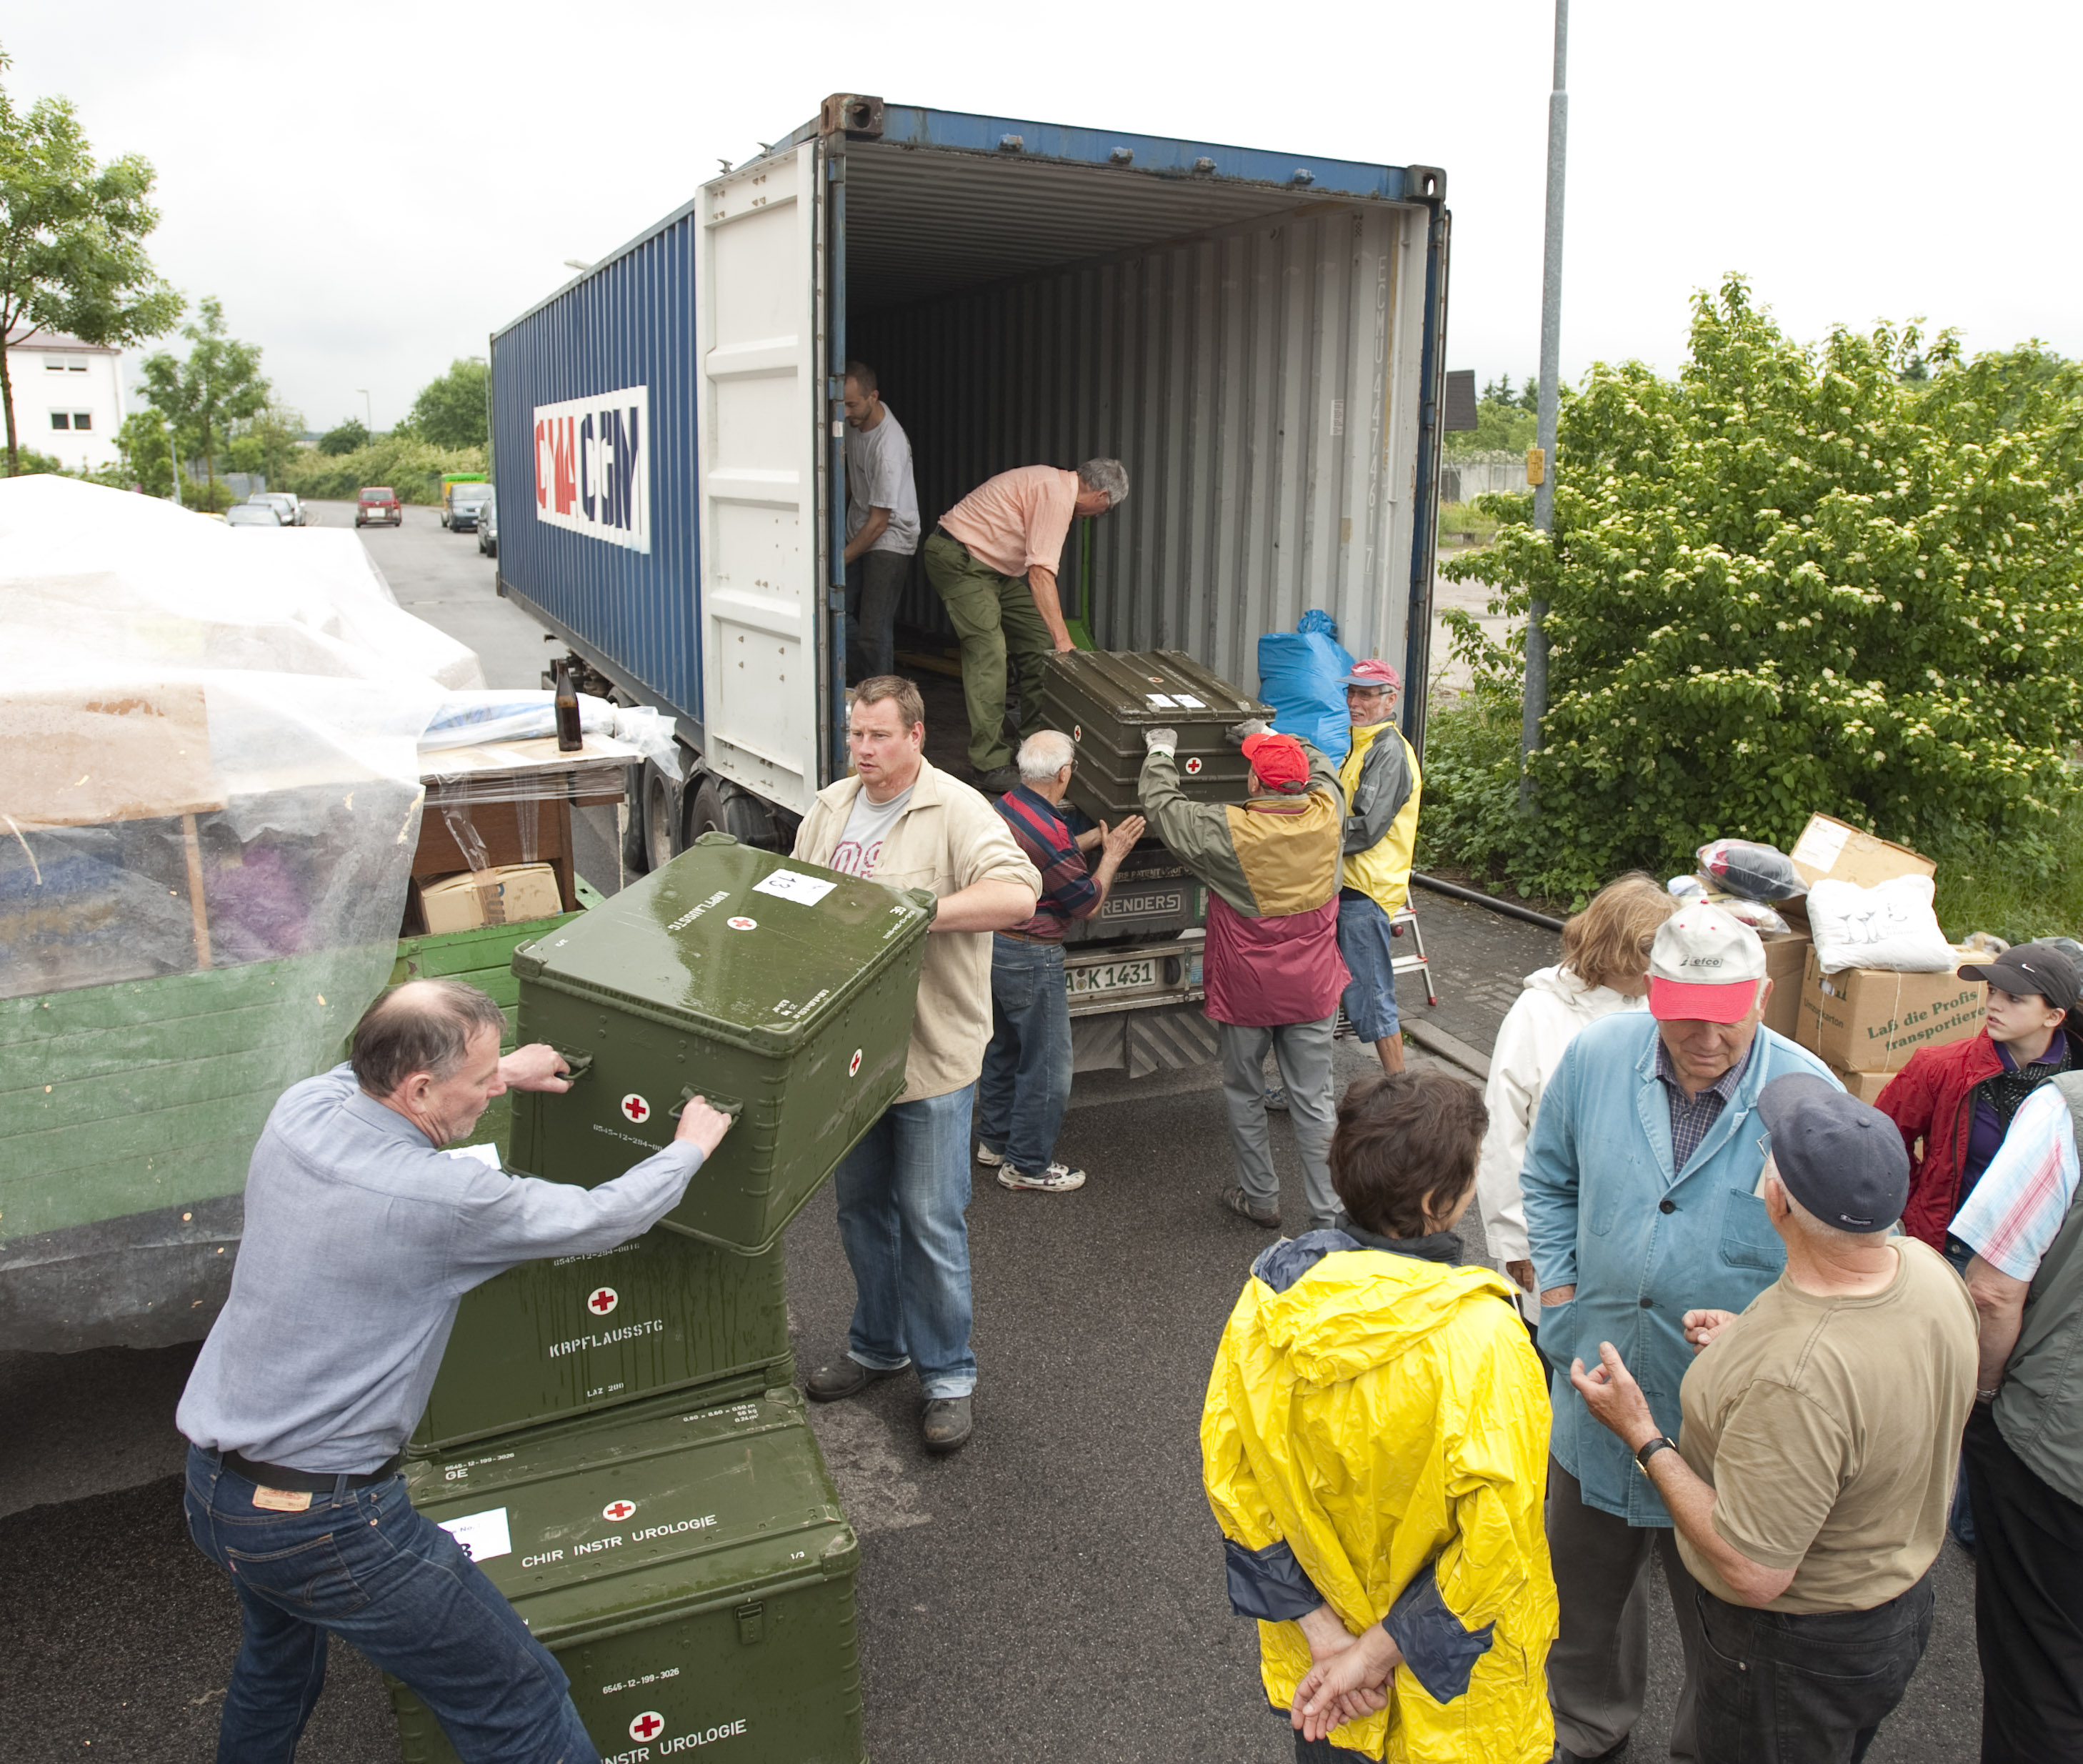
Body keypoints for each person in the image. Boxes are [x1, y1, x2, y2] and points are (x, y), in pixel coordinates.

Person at [178, 979, 736, 1763]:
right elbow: (601, 1217)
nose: (487, 1096)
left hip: (218, 1492)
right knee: (516, 1698)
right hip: (329, 1524)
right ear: (418, 1087)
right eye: (478, 1085)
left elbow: (380, 1081)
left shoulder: (301, 1110)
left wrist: (505, 1069)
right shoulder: (444, 1198)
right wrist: (691, 1145)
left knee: (276, 1670)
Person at [1571, 1074, 1975, 1764]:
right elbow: (1864, 1366)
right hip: (1893, 1611)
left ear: (1778, 1198)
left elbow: (1754, 1566)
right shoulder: (1924, 1268)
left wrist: (1641, 1432)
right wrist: (1750, 1339)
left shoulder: (1795, 1376)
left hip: (1793, 1653)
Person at [1522, 902, 1838, 1764]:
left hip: (1726, 1424)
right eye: (1684, 1015)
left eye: (1727, 1016)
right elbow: (1547, 1180)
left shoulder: (1808, 1098)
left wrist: (1769, 1330)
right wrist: (1560, 1299)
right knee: (1583, 1593)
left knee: (1724, 1619)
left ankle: (1709, 1748)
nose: (1705, 1037)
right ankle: (1587, 1725)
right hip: (1596, 1388)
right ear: (1651, 996)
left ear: (1764, 997)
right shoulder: (1594, 1057)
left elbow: (1839, 1263)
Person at [1202, 1069, 1560, 1764]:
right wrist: (1379, 1653)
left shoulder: (1267, 1305)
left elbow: (1232, 1478)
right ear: (1438, 1204)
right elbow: (1498, 1533)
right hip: (1458, 1711)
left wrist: (1329, 1638)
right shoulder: (1483, 1339)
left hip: (1327, 1686)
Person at [793, 675, 1041, 1453]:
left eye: (878, 736)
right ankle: (877, 1345)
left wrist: (921, 912)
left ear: (916, 735)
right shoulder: (831, 808)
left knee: (931, 1221)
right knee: (860, 1212)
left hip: (930, 1059)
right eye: (855, 735)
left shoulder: (958, 811)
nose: (863, 750)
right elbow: (796, 897)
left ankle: (947, 1377)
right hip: (850, 1060)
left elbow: (1018, 896)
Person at [1138, 719, 1348, 1231]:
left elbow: (1165, 809)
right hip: (1314, 988)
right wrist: (1275, 735)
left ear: (1253, 783)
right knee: (1314, 1101)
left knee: (1244, 1091)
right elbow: (1328, 773)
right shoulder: (1328, 814)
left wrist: (1161, 753)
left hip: (1248, 989)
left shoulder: (1229, 829)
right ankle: (1329, 1212)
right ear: (1301, 782)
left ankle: (1261, 1198)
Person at [1952, 1066, 2083, 1763]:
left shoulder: (2065, 1111)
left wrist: (1984, 1394)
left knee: (2042, 1678)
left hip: (2058, 1455)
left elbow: (1993, 1291)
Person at [1476, 874, 1676, 1327]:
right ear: (1617, 950)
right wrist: (1517, 1244)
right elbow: (1503, 1134)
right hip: (1553, 1234)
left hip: (1633, 1241)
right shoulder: (1539, 1013)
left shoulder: (1656, 1011)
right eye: (1651, 957)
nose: (1660, 972)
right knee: (1552, 1355)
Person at [976, 729, 1144, 1194]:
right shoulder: (1051, 835)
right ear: (1065, 774)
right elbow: (1086, 902)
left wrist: (1085, 840)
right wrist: (1110, 855)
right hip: (1032, 955)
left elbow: (1048, 853)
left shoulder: (1009, 804)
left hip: (996, 942)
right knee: (1047, 1064)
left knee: (1004, 1047)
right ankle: (1027, 1165)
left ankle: (994, 1142)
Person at [924, 458, 1129, 792]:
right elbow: (1040, 575)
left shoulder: (1055, 487)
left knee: (1040, 643)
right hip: (959, 557)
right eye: (1105, 509)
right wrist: (1066, 644)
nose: (1098, 515)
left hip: (995, 569)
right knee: (989, 651)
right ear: (1101, 495)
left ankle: (1032, 747)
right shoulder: (1055, 496)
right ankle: (987, 764)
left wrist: (1054, 642)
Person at [1878, 940, 2081, 1267]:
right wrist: (1918, 1206)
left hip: (2049, 1258)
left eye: (2014, 998)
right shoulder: (1941, 1067)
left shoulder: (2077, 1081)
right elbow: (1880, 1139)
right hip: (1955, 1250)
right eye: (1992, 991)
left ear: (2054, 1016)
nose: (1994, 1006)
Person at [1333, 659, 1422, 1076]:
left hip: (1364, 894)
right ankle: (1306, 1090)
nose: (1355, 701)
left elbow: (1366, 828)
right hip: (1344, 888)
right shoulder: (1362, 744)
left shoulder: (1388, 752)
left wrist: (1309, 840)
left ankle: (1400, 1092)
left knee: (1372, 998)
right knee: (1325, 995)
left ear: (1391, 700)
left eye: (1366, 694)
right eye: (1352, 692)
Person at [841, 361, 920, 683]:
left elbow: (879, 523)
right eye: (842, 404)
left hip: (890, 537)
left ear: (873, 397)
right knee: (837, 614)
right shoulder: (853, 420)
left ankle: (881, 698)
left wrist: (841, 558)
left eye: (852, 405)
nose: (845, 413)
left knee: (874, 630)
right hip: (860, 526)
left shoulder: (889, 448)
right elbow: (849, 476)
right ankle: (856, 684)